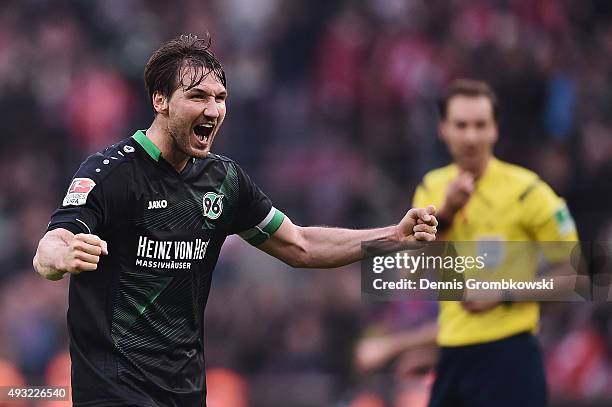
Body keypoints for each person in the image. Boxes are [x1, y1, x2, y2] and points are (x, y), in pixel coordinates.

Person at [32, 34, 438, 407]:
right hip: (112, 390)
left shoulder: (224, 181)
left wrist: (393, 235)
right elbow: (50, 246)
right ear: (160, 100)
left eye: (220, 97)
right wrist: (62, 255)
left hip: (185, 391)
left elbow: (301, 245)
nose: (212, 109)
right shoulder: (111, 172)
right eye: (197, 97)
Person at [355, 79, 578, 407]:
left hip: (511, 355)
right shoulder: (431, 189)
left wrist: (503, 293)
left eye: (480, 125)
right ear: (442, 130)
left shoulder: (529, 191)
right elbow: (411, 276)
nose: (471, 136)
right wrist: (446, 213)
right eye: (461, 125)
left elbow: (579, 276)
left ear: (495, 130)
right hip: (453, 357)